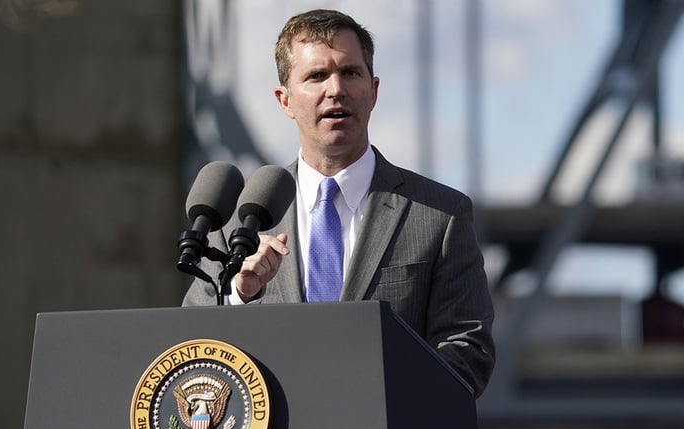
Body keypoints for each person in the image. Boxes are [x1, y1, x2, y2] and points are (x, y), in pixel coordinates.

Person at [183, 9, 495, 397]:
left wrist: (375, 401)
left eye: (350, 73)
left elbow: (468, 350)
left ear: (374, 90)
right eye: (316, 76)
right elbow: (192, 349)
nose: (336, 89)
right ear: (285, 100)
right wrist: (241, 296)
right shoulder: (237, 220)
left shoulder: (439, 214)